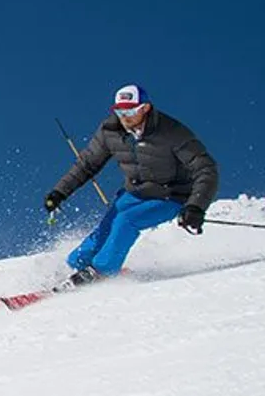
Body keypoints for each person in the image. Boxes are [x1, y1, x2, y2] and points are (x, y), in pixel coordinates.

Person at [44, 84, 220, 284]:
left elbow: (206, 169)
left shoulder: (171, 132)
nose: (124, 117)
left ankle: (101, 272)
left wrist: (196, 206)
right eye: (120, 111)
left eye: (130, 111)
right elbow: (87, 164)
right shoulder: (110, 131)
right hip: (134, 192)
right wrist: (59, 192)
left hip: (172, 196)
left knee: (126, 220)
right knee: (107, 225)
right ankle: (75, 265)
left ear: (145, 108)